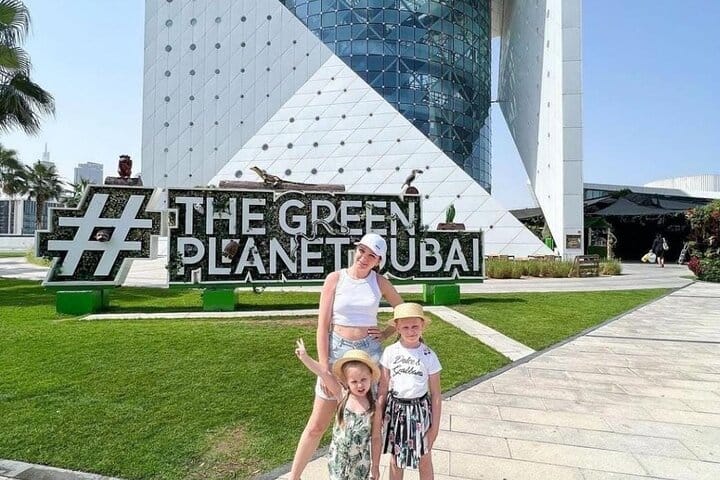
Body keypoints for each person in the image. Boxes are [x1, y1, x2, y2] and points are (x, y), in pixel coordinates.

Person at [289, 233, 403, 479]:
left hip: (368, 355)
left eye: (372, 255)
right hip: (336, 351)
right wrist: (324, 367)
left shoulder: (379, 282)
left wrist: (385, 332)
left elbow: (402, 311)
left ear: (378, 261)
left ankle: (363, 472)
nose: (364, 258)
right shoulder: (335, 278)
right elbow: (323, 326)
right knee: (317, 425)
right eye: (362, 250)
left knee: (368, 423)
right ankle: (294, 476)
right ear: (356, 250)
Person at [373, 303, 442, 480]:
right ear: (397, 328)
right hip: (396, 412)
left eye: (415, 326)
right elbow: (383, 388)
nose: (411, 331)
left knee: (424, 457)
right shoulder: (390, 352)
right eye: (405, 327)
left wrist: (434, 428)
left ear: (422, 326)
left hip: (420, 412)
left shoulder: (429, 356)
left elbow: (436, 394)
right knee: (396, 460)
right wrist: (379, 414)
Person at [294, 340, 381, 480]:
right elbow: (323, 373)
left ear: (371, 377)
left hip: (360, 463)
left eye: (363, 379)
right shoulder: (342, 395)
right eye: (354, 381)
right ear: (346, 381)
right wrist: (305, 357)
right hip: (338, 460)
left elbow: (376, 438)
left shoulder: (374, 407)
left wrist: (375, 466)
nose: (360, 385)